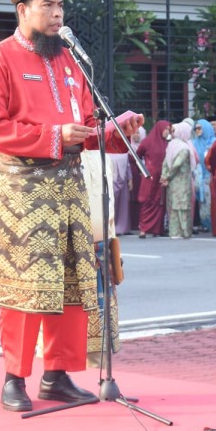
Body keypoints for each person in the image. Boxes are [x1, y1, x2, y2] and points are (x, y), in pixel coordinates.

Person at [0, 0, 144, 413]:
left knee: (73, 283)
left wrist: (113, 128)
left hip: (70, 188)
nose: (57, 13)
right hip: (24, 192)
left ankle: (58, 375)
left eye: (60, 5)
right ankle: (14, 378)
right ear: (23, 9)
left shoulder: (69, 61)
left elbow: (83, 129)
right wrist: (53, 135)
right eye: (48, 6)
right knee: (26, 287)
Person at [80, 150, 121, 369]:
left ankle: (101, 369)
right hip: (78, 248)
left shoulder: (103, 154)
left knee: (103, 312)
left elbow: (110, 201)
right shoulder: (70, 154)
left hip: (103, 244)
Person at [161, 122, 196, 239]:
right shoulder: (184, 148)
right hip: (181, 182)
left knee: (174, 206)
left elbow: (166, 163)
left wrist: (165, 177)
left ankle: (174, 232)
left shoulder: (171, 145)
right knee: (182, 206)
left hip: (171, 182)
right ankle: (184, 232)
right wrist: (167, 177)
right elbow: (176, 165)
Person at [136, 121, 170, 238]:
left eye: (169, 129)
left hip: (161, 176)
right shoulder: (147, 142)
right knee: (146, 201)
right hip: (149, 176)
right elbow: (138, 155)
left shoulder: (167, 144)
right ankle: (143, 229)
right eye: (166, 129)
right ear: (160, 129)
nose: (167, 132)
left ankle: (157, 229)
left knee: (159, 201)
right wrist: (141, 170)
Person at [192, 119, 216, 233]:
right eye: (196, 128)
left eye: (199, 128)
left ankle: (214, 223)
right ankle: (204, 223)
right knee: (201, 201)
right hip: (198, 176)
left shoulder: (214, 142)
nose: (197, 130)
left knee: (211, 200)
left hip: (211, 175)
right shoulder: (194, 143)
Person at [108, 150, 132, 235]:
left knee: (123, 205)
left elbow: (128, 166)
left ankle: (122, 228)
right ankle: (111, 228)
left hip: (123, 181)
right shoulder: (106, 152)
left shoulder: (124, 151)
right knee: (111, 205)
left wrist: (130, 180)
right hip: (110, 181)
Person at [128, 126, 146, 231]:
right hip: (132, 176)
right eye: (134, 133)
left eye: (138, 133)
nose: (136, 135)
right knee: (132, 198)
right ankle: (133, 223)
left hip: (143, 176)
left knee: (142, 198)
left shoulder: (145, 146)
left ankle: (141, 222)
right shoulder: (128, 147)